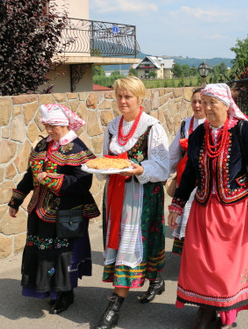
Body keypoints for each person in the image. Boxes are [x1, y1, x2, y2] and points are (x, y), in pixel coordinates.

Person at [168, 84, 248, 329]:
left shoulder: (244, 131)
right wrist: (178, 205)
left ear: (227, 105)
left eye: (213, 102)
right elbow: (190, 173)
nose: (207, 108)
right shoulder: (197, 135)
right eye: (204, 103)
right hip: (204, 208)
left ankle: (228, 309)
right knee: (203, 262)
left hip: (235, 210)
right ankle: (206, 310)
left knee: (228, 264)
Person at [93, 77, 170, 329]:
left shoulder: (152, 127)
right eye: (119, 96)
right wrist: (102, 167)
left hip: (142, 196)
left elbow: (161, 167)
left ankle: (114, 307)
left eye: (128, 97)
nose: (123, 101)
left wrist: (139, 170)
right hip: (116, 195)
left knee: (135, 244)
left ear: (140, 98)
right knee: (126, 243)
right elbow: (107, 160)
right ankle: (155, 279)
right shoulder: (113, 126)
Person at [8, 104, 98, 315]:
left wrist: (51, 179)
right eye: (46, 126)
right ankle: (48, 289)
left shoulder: (78, 149)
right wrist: (16, 201)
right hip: (39, 211)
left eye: (52, 126)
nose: (48, 131)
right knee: (42, 252)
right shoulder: (42, 146)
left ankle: (65, 293)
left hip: (66, 213)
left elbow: (82, 184)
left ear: (64, 124)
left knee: (61, 255)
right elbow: (30, 176)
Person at [168, 87, 205, 255]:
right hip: (186, 181)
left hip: (205, 183)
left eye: (201, 102)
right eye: (194, 102)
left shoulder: (213, 124)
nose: (197, 106)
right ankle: (190, 259)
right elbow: (174, 153)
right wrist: (164, 173)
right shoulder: (185, 124)